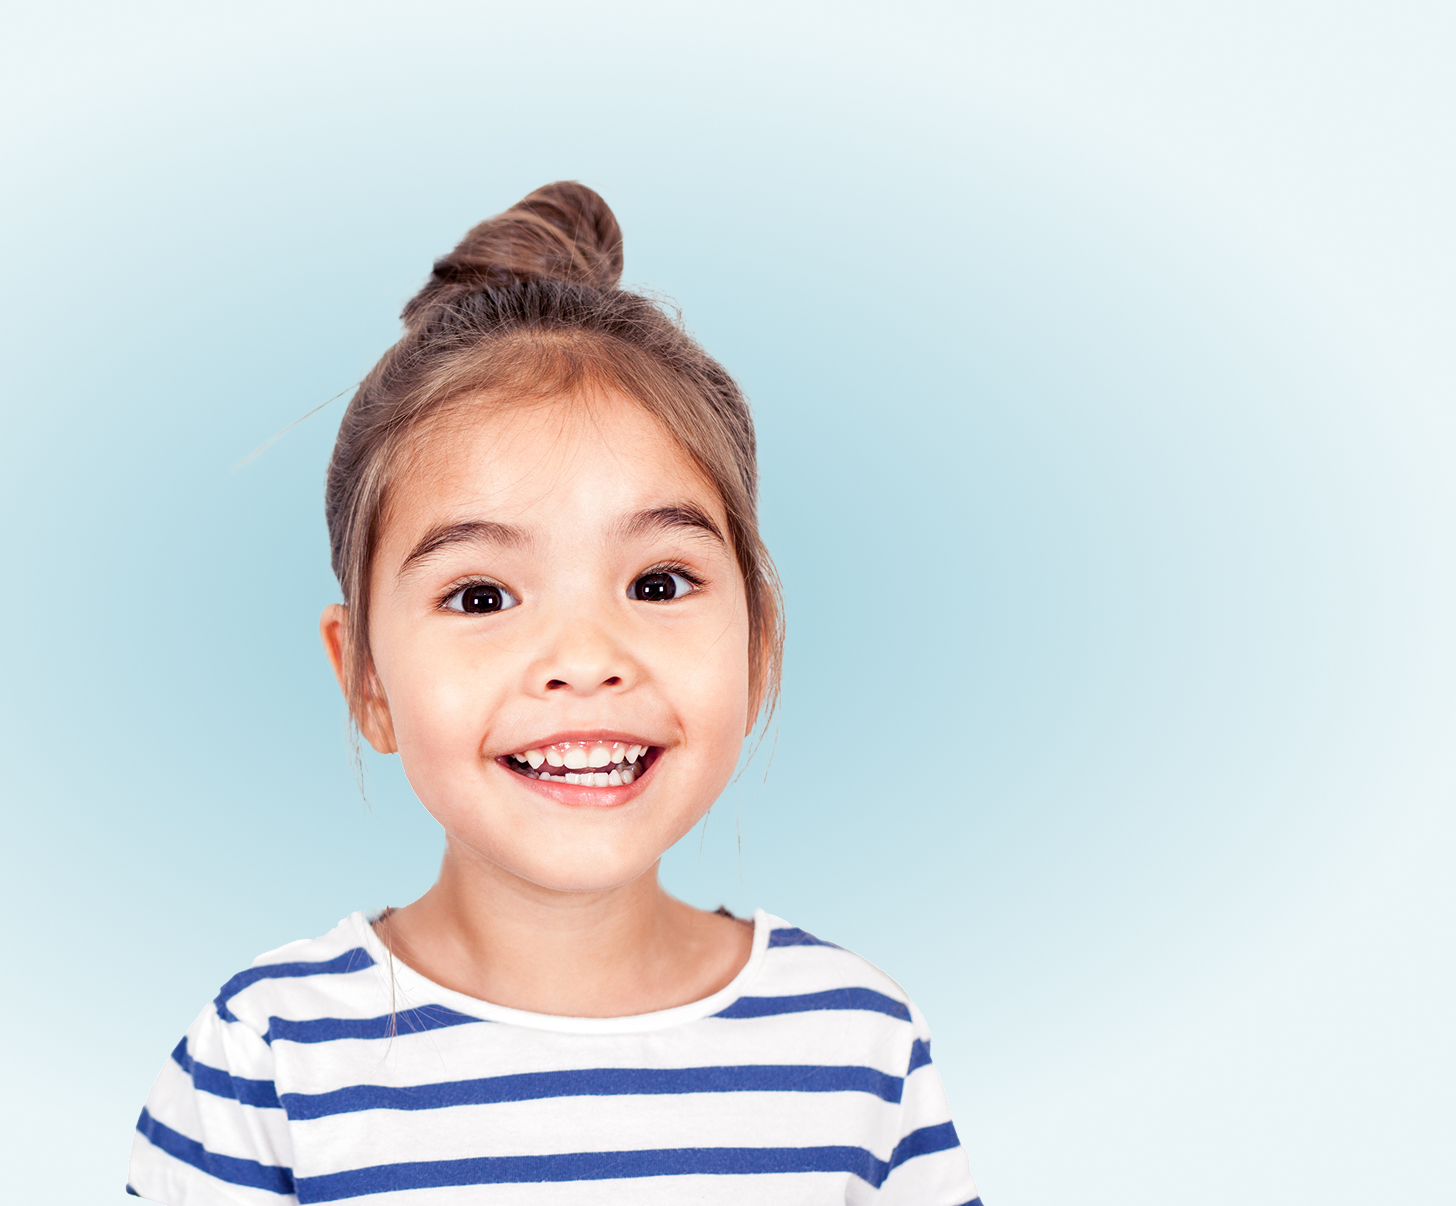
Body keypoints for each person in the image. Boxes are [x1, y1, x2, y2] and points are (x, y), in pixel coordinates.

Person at [127, 182, 982, 1205]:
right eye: (481, 594)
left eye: (658, 583)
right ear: (364, 678)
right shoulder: (269, 1060)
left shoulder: (857, 1045)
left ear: (758, 644)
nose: (583, 659)